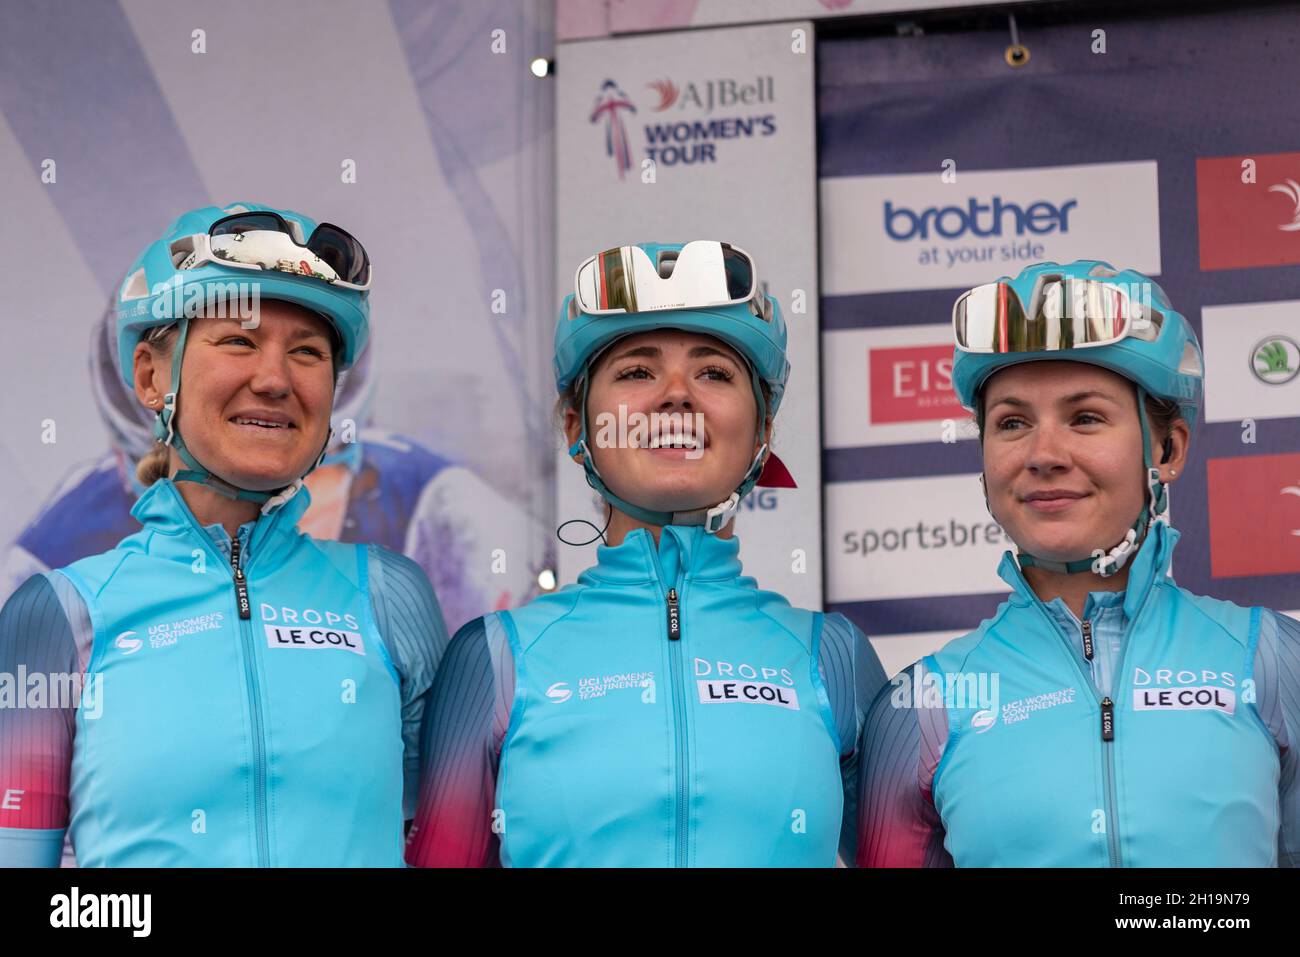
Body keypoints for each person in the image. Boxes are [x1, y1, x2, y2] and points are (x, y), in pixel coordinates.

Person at [404, 241, 886, 867]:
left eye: (714, 372)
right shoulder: (496, 656)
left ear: (763, 431)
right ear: (576, 426)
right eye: (636, 372)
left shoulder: (832, 657)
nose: (676, 395)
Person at [0, 203, 449, 866]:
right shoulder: (57, 615)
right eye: (238, 340)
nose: (274, 379)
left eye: (307, 351)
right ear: (152, 377)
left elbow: (447, 847)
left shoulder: (390, 594)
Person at [858, 260, 1299, 867]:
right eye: (1012, 422)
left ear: (1166, 448)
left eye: (1085, 417)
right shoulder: (922, 704)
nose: (1044, 454)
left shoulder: (1271, 658)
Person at [1, 300, 543, 636]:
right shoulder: (42, 574)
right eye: (162, 469)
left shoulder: (452, 515)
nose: (246, 504)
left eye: (309, 475)